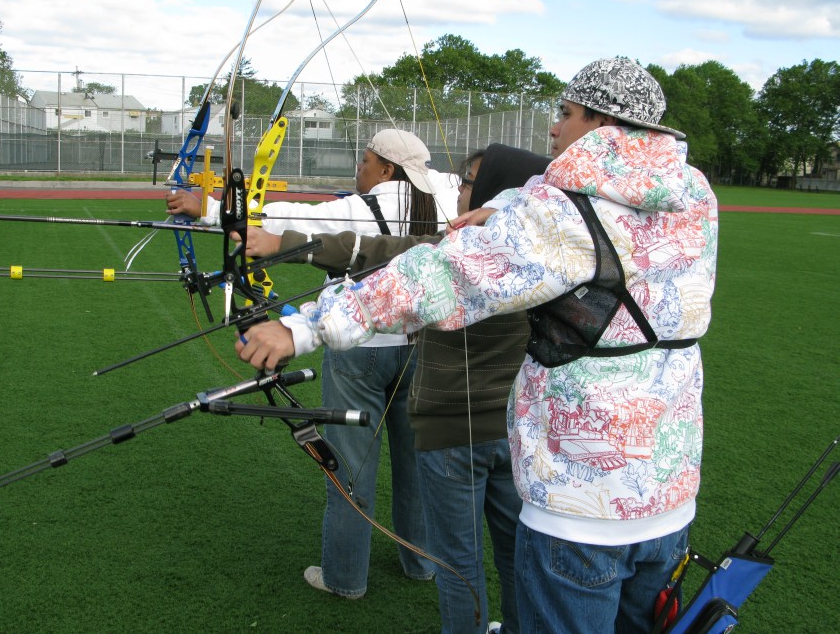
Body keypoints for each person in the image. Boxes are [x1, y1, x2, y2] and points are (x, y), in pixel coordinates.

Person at [235, 58, 719, 633]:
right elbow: (579, 215)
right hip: (668, 495)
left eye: (565, 113)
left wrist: (305, 327)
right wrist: (507, 208)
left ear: (602, 121)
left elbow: (442, 277)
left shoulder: (563, 214)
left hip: (582, 506)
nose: (553, 128)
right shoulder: (693, 197)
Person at [244, 144, 552, 633]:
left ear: (497, 192)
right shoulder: (548, 252)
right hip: (515, 430)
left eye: (469, 181)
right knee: (516, 549)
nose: (459, 189)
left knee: (460, 562)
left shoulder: (466, 255)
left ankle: (354, 577)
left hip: (455, 430)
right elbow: (386, 252)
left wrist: (299, 315)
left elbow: (392, 261)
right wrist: (287, 244)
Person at [169, 129, 457, 600]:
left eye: (366, 161)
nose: (359, 168)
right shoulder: (447, 198)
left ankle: (345, 577)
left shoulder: (358, 208)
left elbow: (279, 218)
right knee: (417, 462)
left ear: (387, 169)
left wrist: (206, 206)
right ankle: (422, 562)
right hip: (423, 348)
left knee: (349, 469)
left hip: (358, 350)